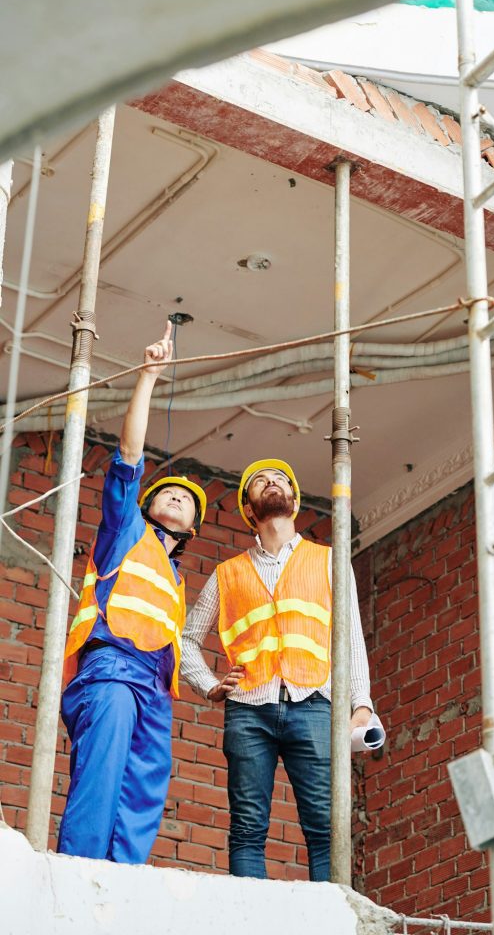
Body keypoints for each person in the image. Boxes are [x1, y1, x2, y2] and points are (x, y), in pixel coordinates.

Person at [58, 322, 213, 863]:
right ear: (147, 506)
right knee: (101, 777)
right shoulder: (126, 531)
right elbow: (128, 456)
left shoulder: (176, 578)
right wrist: (147, 378)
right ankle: (78, 871)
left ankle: (120, 886)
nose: (174, 498)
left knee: (144, 787)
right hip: (112, 671)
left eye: (184, 499)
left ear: (191, 528)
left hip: (153, 689)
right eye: (165, 493)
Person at [181, 458, 373, 881]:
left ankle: (331, 921)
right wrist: (210, 685)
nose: (271, 483)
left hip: (314, 705)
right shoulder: (227, 573)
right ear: (249, 509)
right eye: (260, 481)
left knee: (326, 827)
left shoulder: (328, 560)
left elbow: (351, 635)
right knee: (247, 829)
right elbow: (186, 639)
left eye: (280, 479)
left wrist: (362, 703)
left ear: (294, 499)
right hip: (249, 710)